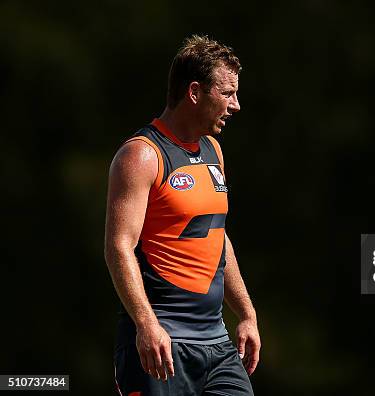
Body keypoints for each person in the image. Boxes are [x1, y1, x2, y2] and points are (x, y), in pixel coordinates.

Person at [104, 35, 260, 396]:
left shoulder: (213, 152)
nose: (235, 105)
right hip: (162, 346)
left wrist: (247, 314)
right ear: (194, 92)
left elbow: (217, 237)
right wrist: (146, 324)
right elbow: (118, 248)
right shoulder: (141, 156)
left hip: (217, 345)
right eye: (227, 94)